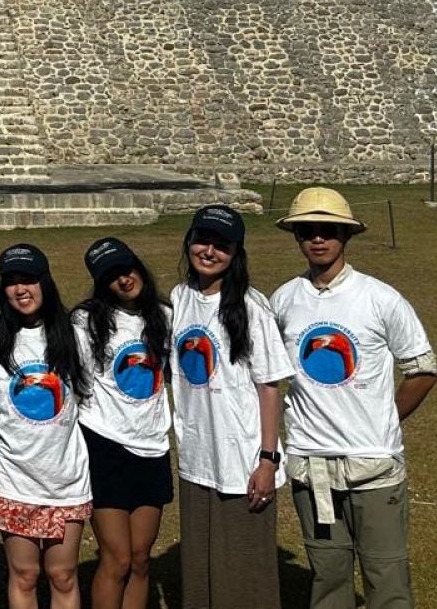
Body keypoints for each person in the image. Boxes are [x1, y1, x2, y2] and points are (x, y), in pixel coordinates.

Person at [272, 188, 437, 609]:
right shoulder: (284, 299)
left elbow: (422, 369)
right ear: (297, 236)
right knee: (328, 578)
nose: (318, 239)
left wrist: (386, 418)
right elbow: (269, 373)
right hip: (312, 465)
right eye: (308, 231)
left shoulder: (379, 298)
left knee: (386, 577)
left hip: (373, 464)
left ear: (346, 236)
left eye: (329, 230)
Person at [170, 205, 293, 609]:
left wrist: (268, 458)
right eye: (202, 240)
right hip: (197, 455)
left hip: (242, 457)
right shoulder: (180, 298)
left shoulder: (251, 307)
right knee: (200, 565)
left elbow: (270, 385)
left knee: (245, 568)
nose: (209, 251)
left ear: (236, 252)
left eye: (221, 245)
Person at [0, 244, 93, 609]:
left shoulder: (74, 336)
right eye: (12, 282)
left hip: (66, 480)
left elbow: (90, 394)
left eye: (29, 280)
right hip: (16, 479)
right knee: (25, 576)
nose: (21, 290)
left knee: (63, 576)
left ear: (45, 282)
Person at [73, 238, 174, 609]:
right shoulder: (85, 322)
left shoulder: (164, 316)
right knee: (116, 559)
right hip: (105, 444)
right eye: (112, 276)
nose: (124, 279)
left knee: (141, 559)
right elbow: (76, 384)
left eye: (127, 268)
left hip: (152, 445)